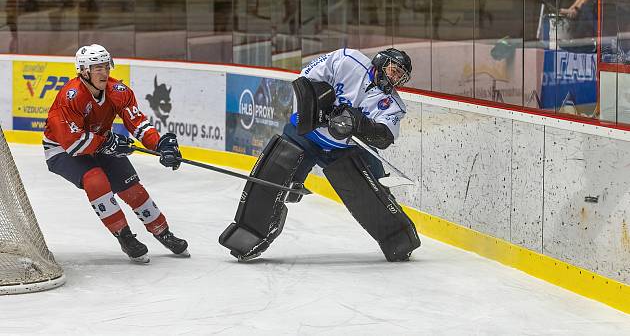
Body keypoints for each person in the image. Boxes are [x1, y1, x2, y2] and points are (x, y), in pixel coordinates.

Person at [219, 47, 421, 262]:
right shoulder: (347, 59)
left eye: (400, 76)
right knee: (271, 179)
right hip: (306, 135)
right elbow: (305, 80)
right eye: (394, 70)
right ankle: (248, 234)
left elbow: (384, 137)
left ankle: (398, 240)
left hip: (343, 150)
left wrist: (359, 124)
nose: (395, 77)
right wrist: (323, 110)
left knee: (371, 195)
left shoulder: (394, 105)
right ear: (381, 61)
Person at [43, 44, 188, 263]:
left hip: (99, 141)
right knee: (96, 180)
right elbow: (73, 144)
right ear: (83, 71)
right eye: (97, 68)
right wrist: (108, 143)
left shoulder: (118, 91)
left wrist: (160, 145)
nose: (103, 72)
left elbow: (138, 123)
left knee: (131, 187)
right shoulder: (70, 97)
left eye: (105, 66)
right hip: (62, 150)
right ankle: (125, 236)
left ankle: (162, 231)